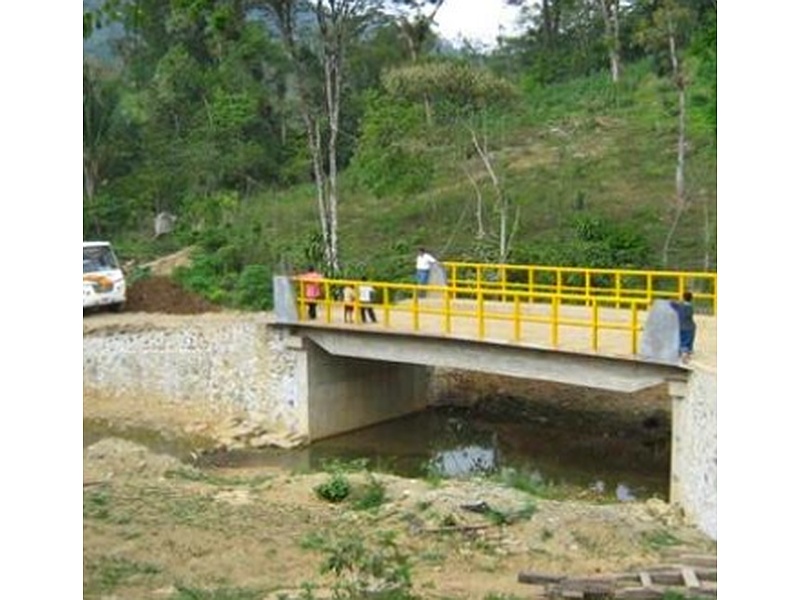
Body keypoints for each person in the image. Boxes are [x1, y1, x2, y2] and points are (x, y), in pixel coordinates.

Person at [669, 291, 696, 361]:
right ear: (691, 299)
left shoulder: (679, 305)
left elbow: (671, 303)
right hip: (690, 327)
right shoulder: (691, 307)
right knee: (687, 341)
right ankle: (686, 353)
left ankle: (681, 352)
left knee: (680, 340)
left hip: (680, 326)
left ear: (683, 298)